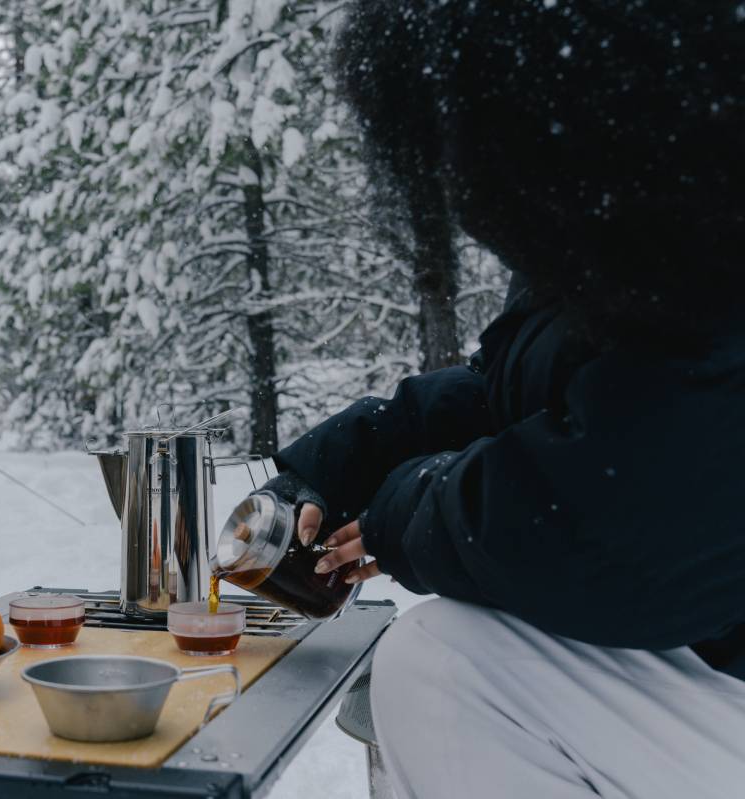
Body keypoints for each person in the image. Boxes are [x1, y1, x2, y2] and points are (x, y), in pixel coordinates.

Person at [263, 2, 745, 796]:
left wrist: (401, 515)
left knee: (448, 663)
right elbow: (507, 391)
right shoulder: (630, 219)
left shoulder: (704, 237)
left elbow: (628, 526)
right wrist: (338, 467)